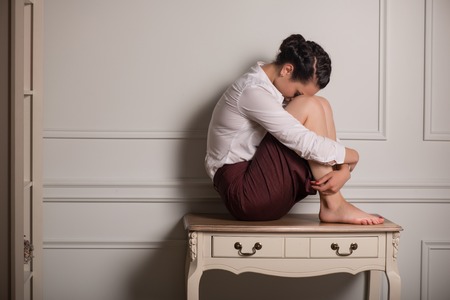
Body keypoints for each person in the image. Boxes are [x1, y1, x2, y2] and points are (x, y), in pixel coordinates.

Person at [205, 34, 384, 225]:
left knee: (321, 104)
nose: (293, 99)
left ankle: (332, 204)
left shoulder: (273, 88)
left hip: (260, 183)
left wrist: (343, 168)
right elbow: (303, 141)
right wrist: (354, 156)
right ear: (287, 70)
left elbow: (311, 136)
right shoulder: (252, 90)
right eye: (297, 92)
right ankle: (334, 205)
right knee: (310, 106)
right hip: (244, 193)